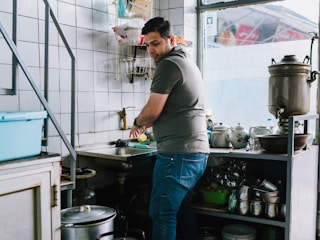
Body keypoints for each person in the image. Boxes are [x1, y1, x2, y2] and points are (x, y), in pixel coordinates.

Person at [129, 17, 209, 240]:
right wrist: (149, 121)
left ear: (171, 39)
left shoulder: (168, 65)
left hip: (178, 154)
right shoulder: (185, 61)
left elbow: (153, 111)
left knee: (162, 213)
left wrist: (137, 123)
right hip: (195, 153)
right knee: (180, 210)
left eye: (155, 43)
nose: (150, 50)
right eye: (146, 45)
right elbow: (171, 108)